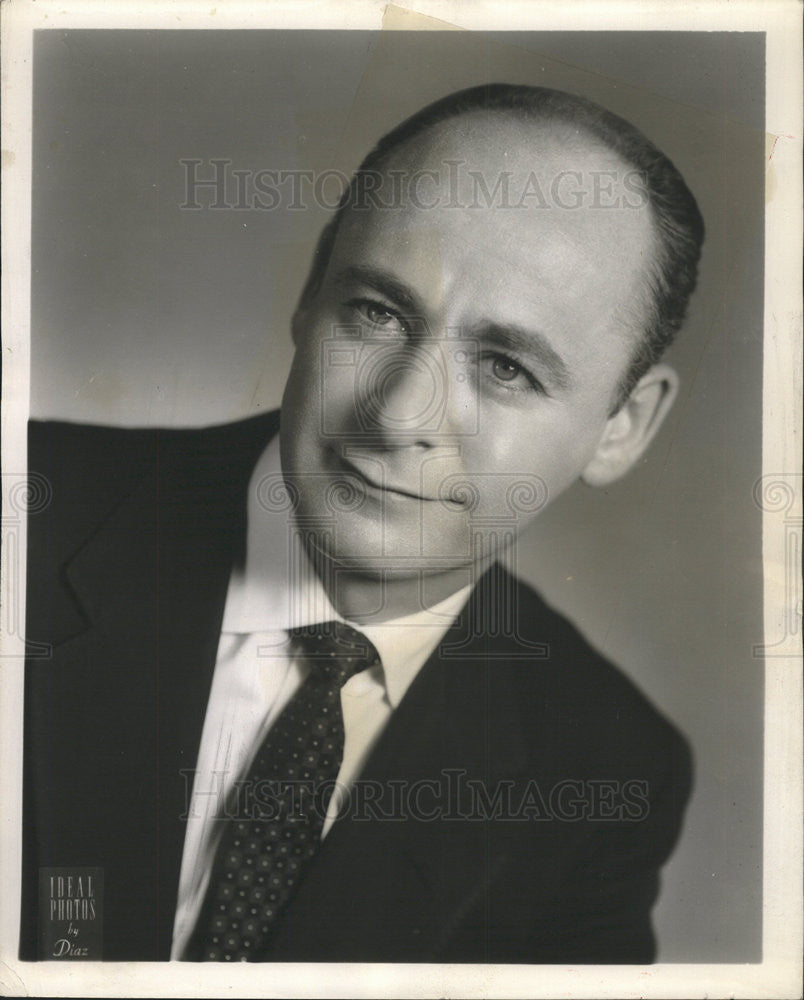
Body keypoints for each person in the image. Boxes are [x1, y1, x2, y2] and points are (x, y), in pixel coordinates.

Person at [20, 83, 703, 964]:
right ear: (310, 294)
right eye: (377, 313)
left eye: (504, 366)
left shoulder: (606, 765)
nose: (397, 417)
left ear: (624, 426)